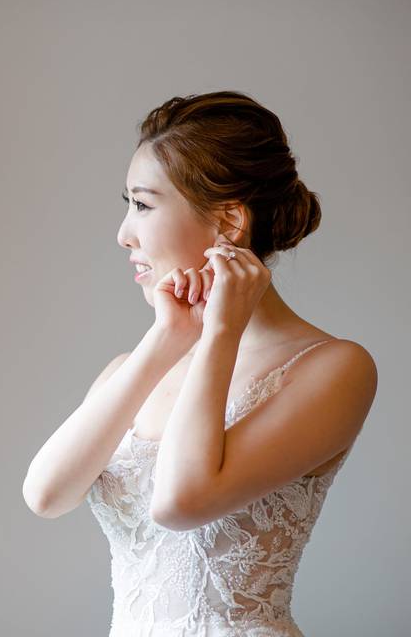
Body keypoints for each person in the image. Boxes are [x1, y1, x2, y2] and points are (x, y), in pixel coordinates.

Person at [22, 91, 377, 636]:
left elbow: (181, 503)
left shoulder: (335, 368)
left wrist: (221, 332)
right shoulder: (132, 366)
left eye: (142, 205)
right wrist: (167, 337)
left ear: (230, 220)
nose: (124, 233)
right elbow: (46, 495)